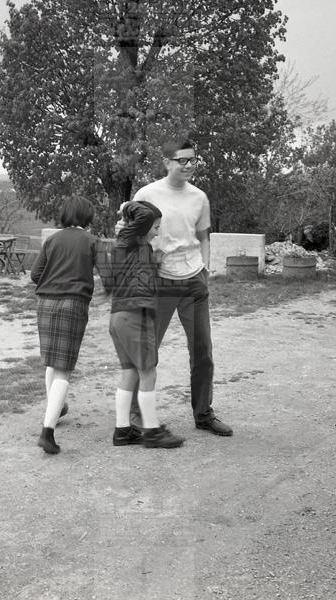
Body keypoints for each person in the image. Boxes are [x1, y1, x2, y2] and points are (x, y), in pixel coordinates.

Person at [132, 137, 233, 436]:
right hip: (160, 281)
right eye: (182, 160)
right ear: (167, 162)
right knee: (148, 351)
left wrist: (205, 268)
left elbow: (203, 237)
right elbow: (131, 234)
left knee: (202, 351)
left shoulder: (199, 197)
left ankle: (204, 415)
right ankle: (137, 415)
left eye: (193, 160)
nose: (189, 165)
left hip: (194, 281)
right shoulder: (146, 194)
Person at [100, 200, 185, 449]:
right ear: (142, 225)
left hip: (120, 315)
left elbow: (139, 272)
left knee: (130, 372)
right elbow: (144, 214)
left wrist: (156, 259)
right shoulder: (130, 238)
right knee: (148, 372)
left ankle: (123, 430)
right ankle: (151, 431)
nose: (157, 232)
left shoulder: (134, 245)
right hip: (135, 314)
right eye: (156, 227)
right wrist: (127, 206)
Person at [30, 195, 102, 454]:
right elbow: (108, 275)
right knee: (64, 369)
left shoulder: (52, 240)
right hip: (73, 304)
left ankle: (57, 407)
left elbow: (35, 275)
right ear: (87, 216)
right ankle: (47, 432)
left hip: (45, 303)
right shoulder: (92, 241)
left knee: (52, 361)